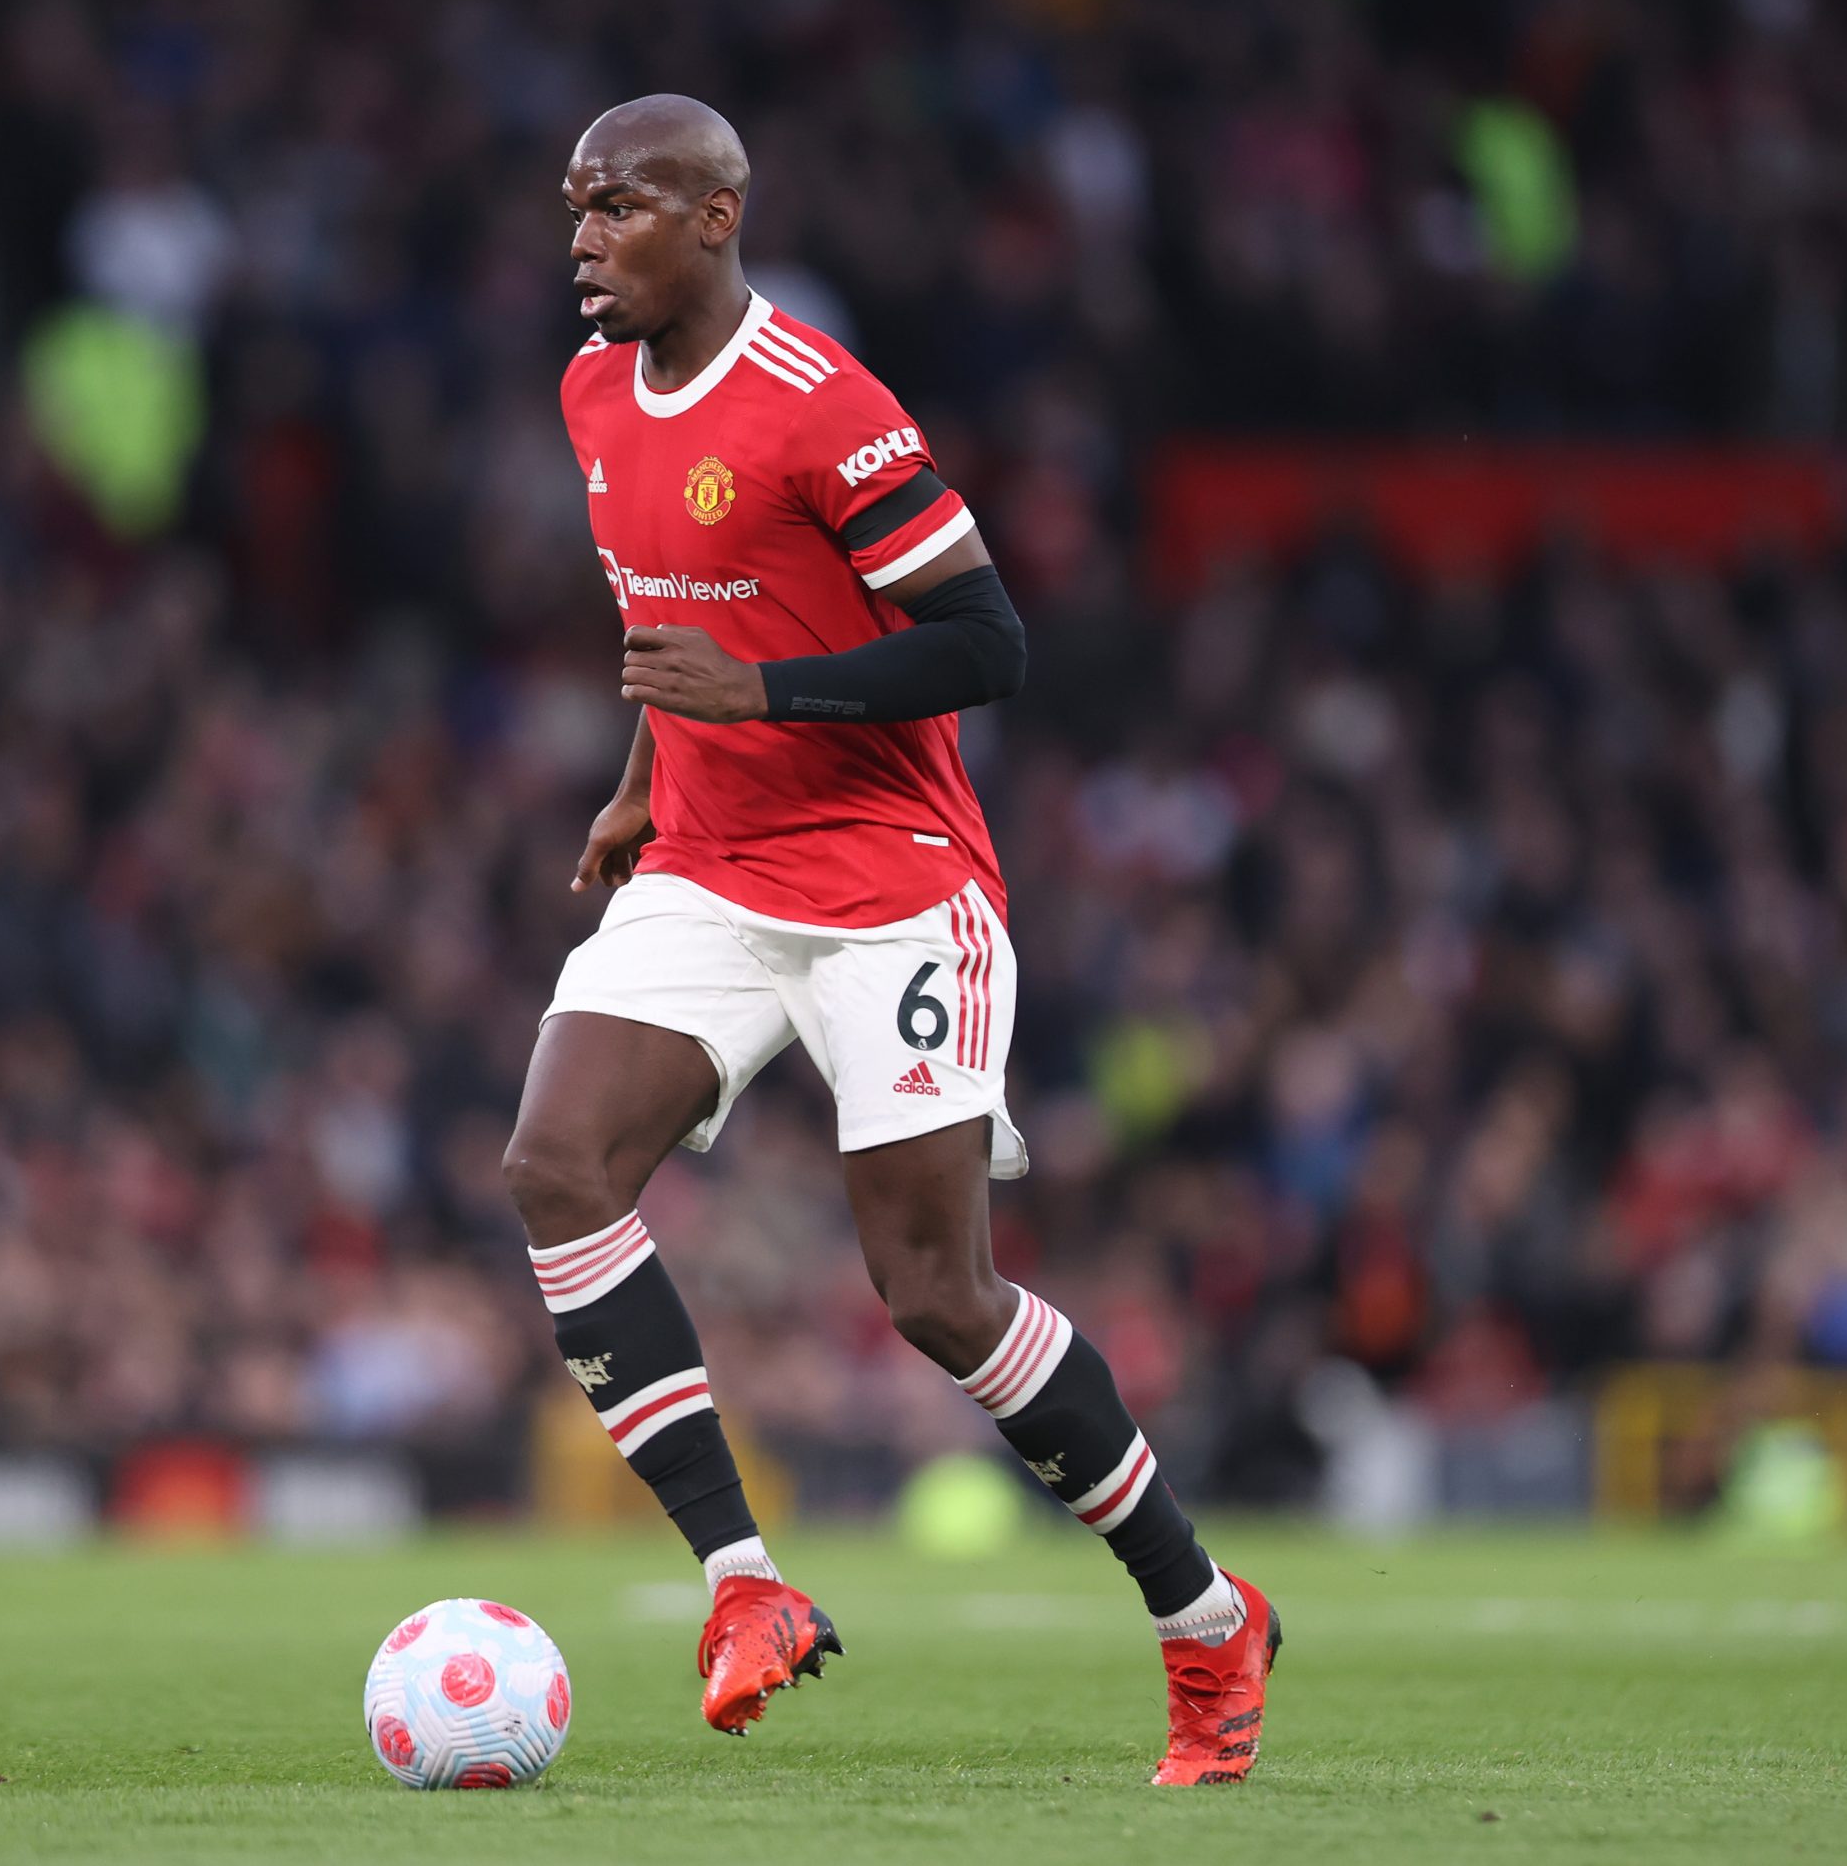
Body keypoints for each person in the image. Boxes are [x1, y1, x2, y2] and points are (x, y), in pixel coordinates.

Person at [502, 94, 1280, 1784]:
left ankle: (1207, 1619)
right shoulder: (587, 395)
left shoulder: (818, 406)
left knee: (935, 1293)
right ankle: (744, 1584)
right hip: (710, 863)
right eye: (573, 210)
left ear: (716, 216)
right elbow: (674, 617)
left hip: (891, 880)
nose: (583, 239)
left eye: (618, 207)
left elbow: (989, 642)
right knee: (558, 1167)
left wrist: (765, 698)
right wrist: (645, 779)